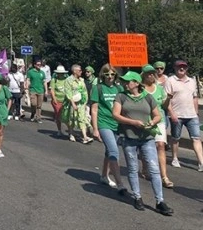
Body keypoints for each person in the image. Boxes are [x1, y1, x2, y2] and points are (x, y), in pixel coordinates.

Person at [112, 71, 173, 215]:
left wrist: (153, 121)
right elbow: (115, 115)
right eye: (124, 81)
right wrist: (132, 122)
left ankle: (160, 201)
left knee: (154, 169)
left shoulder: (148, 97)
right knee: (133, 168)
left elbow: (158, 115)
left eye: (129, 81)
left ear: (137, 83)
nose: (126, 84)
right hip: (129, 138)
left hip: (147, 138)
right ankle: (137, 197)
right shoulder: (121, 96)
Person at [165, 59, 203, 172]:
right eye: (179, 67)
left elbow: (194, 97)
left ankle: (201, 162)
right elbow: (166, 100)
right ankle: (175, 158)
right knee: (175, 138)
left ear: (186, 69)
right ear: (175, 68)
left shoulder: (192, 81)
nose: (182, 69)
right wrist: (172, 113)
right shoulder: (170, 81)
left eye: (184, 67)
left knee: (196, 138)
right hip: (177, 115)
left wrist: (196, 112)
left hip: (191, 115)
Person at [90, 64, 127, 192]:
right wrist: (95, 129)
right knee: (114, 151)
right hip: (103, 123)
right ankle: (120, 184)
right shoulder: (98, 88)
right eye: (107, 74)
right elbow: (94, 110)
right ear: (103, 75)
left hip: (116, 124)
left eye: (112, 74)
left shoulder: (119, 88)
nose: (110, 77)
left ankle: (104, 175)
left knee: (108, 151)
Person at [140, 65, 173, 188]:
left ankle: (164, 176)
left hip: (159, 120)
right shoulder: (140, 89)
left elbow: (164, 106)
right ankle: (144, 169)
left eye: (152, 73)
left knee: (160, 146)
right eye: (148, 73)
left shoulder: (159, 88)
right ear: (143, 75)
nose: (151, 75)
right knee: (146, 146)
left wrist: (168, 99)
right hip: (145, 121)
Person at [62, 65, 92, 144]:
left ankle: (85, 137)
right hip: (72, 103)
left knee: (82, 118)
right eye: (80, 70)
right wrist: (73, 103)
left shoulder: (81, 80)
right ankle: (71, 133)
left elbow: (84, 91)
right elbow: (68, 92)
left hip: (81, 103)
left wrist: (85, 102)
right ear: (74, 71)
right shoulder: (68, 80)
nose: (81, 72)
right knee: (72, 118)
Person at [50, 65, 70, 136]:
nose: (60, 75)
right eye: (59, 73)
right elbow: (52, 90)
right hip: (57, 100)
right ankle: (59, 130)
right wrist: (54, 99)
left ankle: (70, 131)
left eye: (62, 73)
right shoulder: (54, 80)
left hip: (66, 101)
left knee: (67, 116)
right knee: (59, 115)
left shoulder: (67, 79)